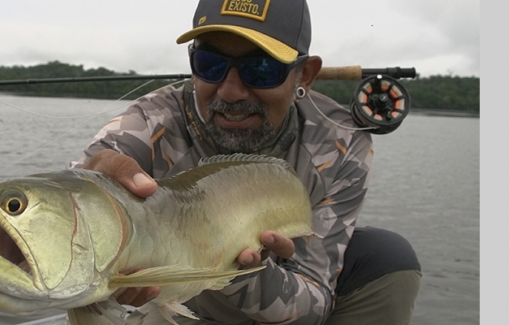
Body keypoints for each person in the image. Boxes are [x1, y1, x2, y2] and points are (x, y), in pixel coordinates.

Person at [71, 0, 421, 324]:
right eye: (210, 65)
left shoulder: (341, 144)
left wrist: (244, 272)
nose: (230, 91)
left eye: (262, 68)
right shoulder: (146, 125)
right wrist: (86, 194)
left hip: (271, 289)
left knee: (385, 256)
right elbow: (81, 186)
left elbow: (315, 301)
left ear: (306, 75)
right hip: (175, 305)